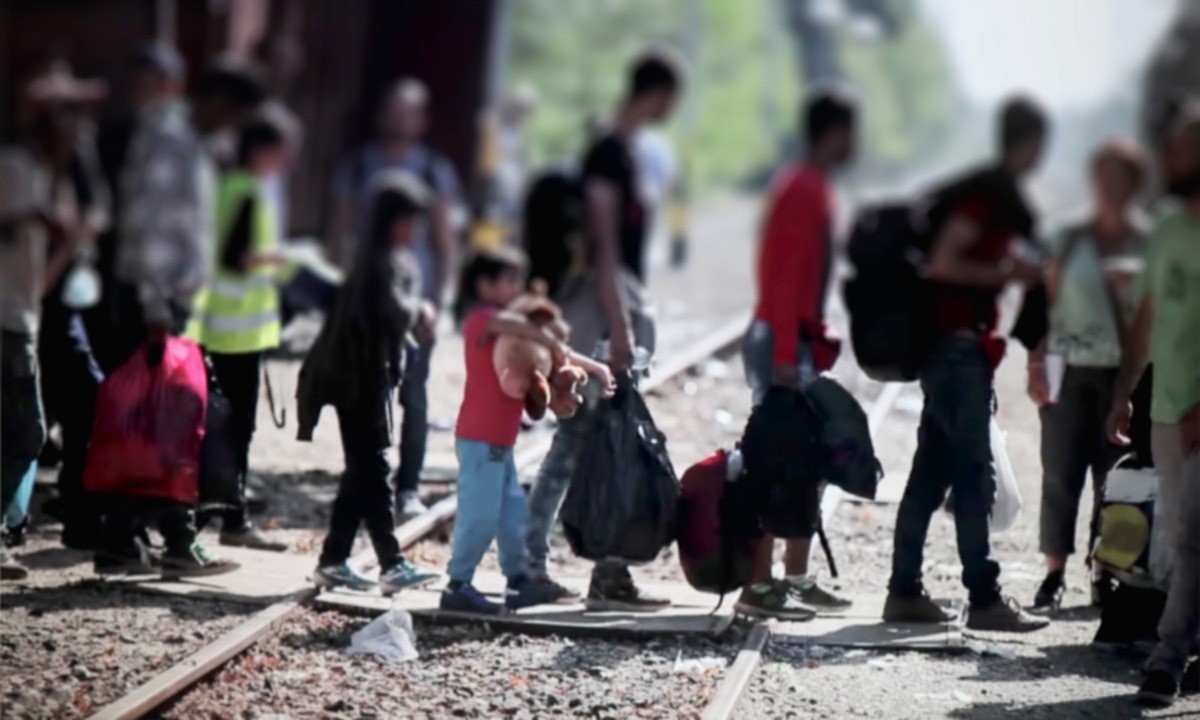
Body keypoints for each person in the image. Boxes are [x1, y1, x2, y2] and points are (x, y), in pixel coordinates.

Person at [883, 97, 1051, 632]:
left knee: (931, 477)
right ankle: (984, 599)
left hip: (956, 351)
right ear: (1028, 144)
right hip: (956, 352)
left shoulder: (989, 192)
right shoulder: (984, 197)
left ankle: (904, 591)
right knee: (973, 476)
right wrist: (1009, 272)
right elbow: (945, 262)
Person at [524, 49, 683, 610]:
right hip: (601, 319)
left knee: (590, 442)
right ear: (658, 93)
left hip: (608, 314)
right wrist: (618, 331)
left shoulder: (621, 152)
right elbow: (606, 248)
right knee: (584, 444)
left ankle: (561, 567)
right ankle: (544, 568)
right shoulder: (609, 156)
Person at [96, 46, 261, 578]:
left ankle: (130, 541)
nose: (232, 125)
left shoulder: (195, 141)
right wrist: (154, 305)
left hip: (171, 303)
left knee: (158, 424)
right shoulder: (169, 138)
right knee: (163, 423)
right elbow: (148, 227)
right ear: (214, 99)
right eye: (232, 112)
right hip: (153, 304)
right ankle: (168, 540)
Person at [735, 89, 857, 620]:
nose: (858, 143)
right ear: (834, 132)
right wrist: (787, 349)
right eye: (852, 131)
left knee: (806, 461)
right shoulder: (800, 188)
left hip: (796, 340)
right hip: (781, 341)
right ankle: (759, 585)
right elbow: (781, 278)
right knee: (774, 459)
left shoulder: (815, 186)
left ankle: (797, 578)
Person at [441, 249, 615, 614]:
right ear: (484, 285)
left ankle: (520, 582)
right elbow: (524, 331)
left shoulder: (519, 327)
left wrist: (595, 367)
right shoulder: (481, 320)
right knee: (480, 514)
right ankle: (458, 584)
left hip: (500, 443)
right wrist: (549, 340)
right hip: (479, 438)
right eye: (510, 281)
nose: (517, 288)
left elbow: (558, 351)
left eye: (519, 280)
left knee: (512, 515)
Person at [297, 170, 439, 594]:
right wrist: (421, 311)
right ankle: (391, 563)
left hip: (361, 379)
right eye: (409, 221)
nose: (413, 230)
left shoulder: (377, 259)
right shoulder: (377, 264)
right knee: (372, 469)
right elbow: (395, 313)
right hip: (357, 382)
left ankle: (334, 559)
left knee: (361, 470)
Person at [1027, 140, 1149, 612]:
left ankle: (1106, 574)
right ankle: (1054, 574)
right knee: (1059, 473)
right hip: (1068, 367)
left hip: (1125, 372)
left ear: (1134, 185)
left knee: (1114, 480)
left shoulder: (1147, 242)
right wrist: (1036, 361)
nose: (1110, 186)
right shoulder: (1070, 236)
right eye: (1104, 175)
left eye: (1120, 177)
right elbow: (1045, 304)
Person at [332, 78, 461, 519]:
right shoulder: (358, 165)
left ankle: (407, 487)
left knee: (415, 397)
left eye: (409, 112)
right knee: (369, 396)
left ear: (422, 121)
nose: (399, 119)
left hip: (415, 301)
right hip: (369, 303)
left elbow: (444, 240)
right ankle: (368, 481)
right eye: (392, 109)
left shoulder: (433, 171)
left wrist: (440, 300)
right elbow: (341, 232)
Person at [1108, 108, 1200, 708]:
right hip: (1167, 408)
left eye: (1186, 148)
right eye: (1172, 149)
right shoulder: (1166, 226)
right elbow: (1145, 321)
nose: (1174, 159)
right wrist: (1125, 395)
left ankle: (1165, 661)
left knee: (1192, 535)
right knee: (1179, 535)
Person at [1, 66, 105, 579]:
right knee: (27, 432)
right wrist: (71, 237)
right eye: (71, 124)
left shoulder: (41, 175)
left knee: (25, 431)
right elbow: (39, 273)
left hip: (24, 317)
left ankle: (9, 529)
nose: (81, 136)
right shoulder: (19, 171)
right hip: (12, 320)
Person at [186, 114, 291, 551]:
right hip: (235, 334)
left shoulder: (229, 186)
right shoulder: (246, 191)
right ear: (261, 150)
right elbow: (236, 258)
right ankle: (216, 522)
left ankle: (227, 517)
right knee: (233, 428)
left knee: (220, 427)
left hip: (223, 328)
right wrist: (286, 258)